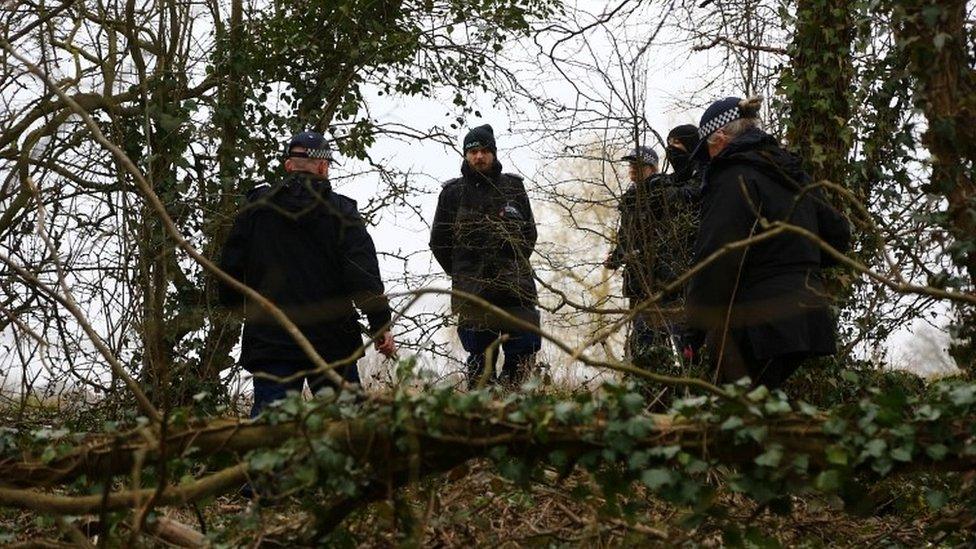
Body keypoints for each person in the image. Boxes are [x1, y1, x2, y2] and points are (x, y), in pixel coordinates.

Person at [218, 130, 396, 417]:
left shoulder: (256, 208)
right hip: (332, 341)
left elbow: (230, 269)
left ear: (288, 165)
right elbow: (362, 274)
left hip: (271, 337)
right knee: (347, 428)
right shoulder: (341, 212)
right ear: (324, 167)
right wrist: (380, 324)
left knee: (269, 434)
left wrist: (241, 309)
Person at [684, 96, 851, 389]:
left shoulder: (733, 175)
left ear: (720, 138)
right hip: (807, 313)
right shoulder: (788, 170)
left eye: (708, 149)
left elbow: (716, 258)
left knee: (731, 413)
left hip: (761, 320)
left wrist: (693, 331)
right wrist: (796, 265)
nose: (707, 159)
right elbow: (838, 235)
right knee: (759, 409)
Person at [430, 124, 541, 388]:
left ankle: (514, 408)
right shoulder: (452, 194)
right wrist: (464, 273)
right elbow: (439, 243)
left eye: (484, 151)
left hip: (516, 290)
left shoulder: (514, 188)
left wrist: (511, 265)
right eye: (473, 152)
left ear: (493, 153)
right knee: (480, 364)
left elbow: (529, 235)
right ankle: (483, 416)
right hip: (473, 295)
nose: (479, 157)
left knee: (524, 353)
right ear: (466, 156)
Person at [604, 131, 700, 367]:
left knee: (683, 343)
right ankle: (653, 393)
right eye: (631, 166)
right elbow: (626, 237)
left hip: (670, 282)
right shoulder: (629, 200)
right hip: (640, 285)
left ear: (653, 168)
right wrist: (616, 257)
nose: (633, 169)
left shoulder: (666, 191)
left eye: (639, 165)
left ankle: (691, 386)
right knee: (644, 348)